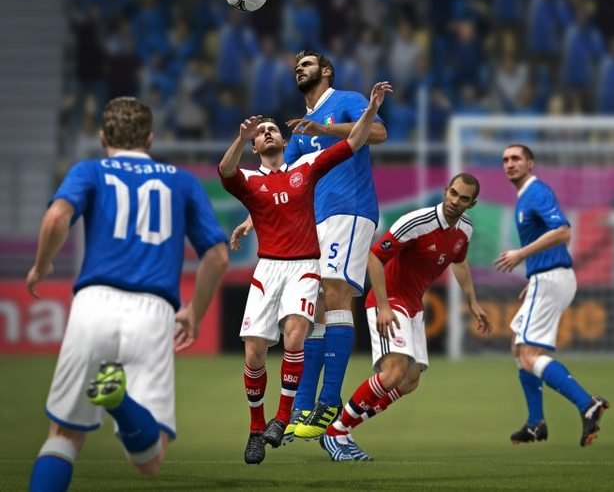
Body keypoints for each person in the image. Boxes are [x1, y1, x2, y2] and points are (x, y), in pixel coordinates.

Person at [27, 97, 229, 490]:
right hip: (153, 312)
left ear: (103, 136)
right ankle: (118, 402)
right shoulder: (182, 180)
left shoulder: (89, 170)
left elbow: (56, 216)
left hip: (93, 304)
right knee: (149, 461)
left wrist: (41, 265)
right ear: (150, 138)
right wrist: (194, 312)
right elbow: (218, 257)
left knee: (63, 435)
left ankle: (111, 401)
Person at [219, 82, 391, 463]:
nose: (267, 133)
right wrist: (240, 138)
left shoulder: (304, 167)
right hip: (268, 268)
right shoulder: (251, 179)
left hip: (304, 263)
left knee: (298, 333)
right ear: (255, 146)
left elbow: (354, 142)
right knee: (254, 353)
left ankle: (290, 415)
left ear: (284, 141)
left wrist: (371, 108)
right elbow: (226, 170)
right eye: (261, 132)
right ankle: (257, 427)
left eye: (272, 129)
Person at [319, 174, 492, 461]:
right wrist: (384, 306)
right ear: (445, 190)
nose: (455, 201)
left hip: (413, 305)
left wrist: (473, 301)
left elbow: (459, 262)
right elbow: (374, 257)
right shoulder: (416, 221)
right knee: (394, 372)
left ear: (471, 204)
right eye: (453, 193)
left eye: (463, 198)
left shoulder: (465, 229)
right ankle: (335, 432)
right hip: (389, 300)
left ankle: (345, 428)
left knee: (409, 381)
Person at [494, 144, 609, 447]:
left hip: (551, 277)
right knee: (518, 347)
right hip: (543, 277)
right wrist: (533, 275)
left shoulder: (537, 192)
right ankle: (535, 423)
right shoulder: (524, 197)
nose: (510, 164)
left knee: (530, 355)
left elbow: (563, 232)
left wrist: (522, 255)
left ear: (530, 163)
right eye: (505, 160)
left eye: (516, 158)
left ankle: (587, 403)